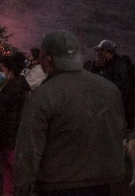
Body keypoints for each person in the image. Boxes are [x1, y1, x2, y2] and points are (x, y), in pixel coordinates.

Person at [15, 30, 126, 196]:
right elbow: (118, 133)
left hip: (58, 186)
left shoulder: (44, 96)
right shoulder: (109, 89)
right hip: (103, 184)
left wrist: (23, 189)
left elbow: (29, 151)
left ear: (47, 60)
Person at [0, 56, 29, 196]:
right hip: (11, 137)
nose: (0, 72)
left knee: (12, 171)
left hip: (9, 138)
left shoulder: (12, 88)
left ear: (11, 70)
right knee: (9, 173)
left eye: (2, 69)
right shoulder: (21, 86)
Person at [92, 39, 133, 129]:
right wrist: (95, 67)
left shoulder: (119, 66)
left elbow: (120, 91)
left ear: (106, 52)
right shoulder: (105, 65)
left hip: (116, 110)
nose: (98, 54)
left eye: (100, 51)